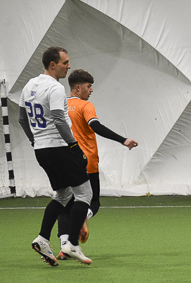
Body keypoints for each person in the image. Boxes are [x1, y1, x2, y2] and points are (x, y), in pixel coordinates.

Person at [19, 46, 93, 266]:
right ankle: (72, 244)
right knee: (84, 194)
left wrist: (35, 141)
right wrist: (74, 146)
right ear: (52, 65)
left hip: (42, 150)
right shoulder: (55, 88)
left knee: (62, 194)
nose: (68, 66)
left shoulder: (29, 85)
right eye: (65, 62)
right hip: (60, 148)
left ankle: (43, 239)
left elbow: (22, 119)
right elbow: (59, 119)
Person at [56, 69, 138, 259]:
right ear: (78, 88)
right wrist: (123, 140)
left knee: (65, 203)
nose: (91, 90)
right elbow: (96, 126)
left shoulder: (60, 106)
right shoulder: (85, 105)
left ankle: (64, 246)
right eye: (89, 86)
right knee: (93, 201)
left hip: (65, 160)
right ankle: (84, 217)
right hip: (86, 161)